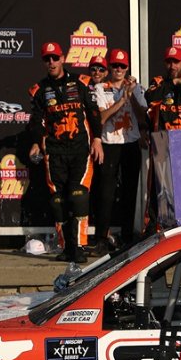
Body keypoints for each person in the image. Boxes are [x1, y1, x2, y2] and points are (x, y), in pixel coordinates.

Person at [28, 41, 104, 264]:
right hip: (54, 152)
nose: (51, 62)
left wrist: (97, 139)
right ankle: (65, 246)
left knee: (78, 196)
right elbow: (37, 121)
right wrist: (35, 142)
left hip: (80, 150)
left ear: (62, 59)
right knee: (58, 201)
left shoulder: (81, 83)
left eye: (54, 58)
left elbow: (93, 113)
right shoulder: (39, 90)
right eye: (46, 59)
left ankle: (79, 245)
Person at [91, 48, 148, 251]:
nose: (118, 69)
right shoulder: (101, 88)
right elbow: (101, 118)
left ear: (127, 68)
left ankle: (127, 235)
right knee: (105, 193)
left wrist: (131, 96)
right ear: (109, 67)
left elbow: (143, 117)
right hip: (108, 144)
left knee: (130, 191)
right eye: (114, 65)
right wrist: (121, 101)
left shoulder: (136, 87)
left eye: (122, 66)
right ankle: (101, 236)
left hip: (130, 144)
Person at [145, 46, 181, 131]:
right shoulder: (158, 82)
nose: (172, 66)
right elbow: (149, 98)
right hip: (165, 139)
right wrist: (174, 82)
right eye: (169, 62)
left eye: (176, 62)